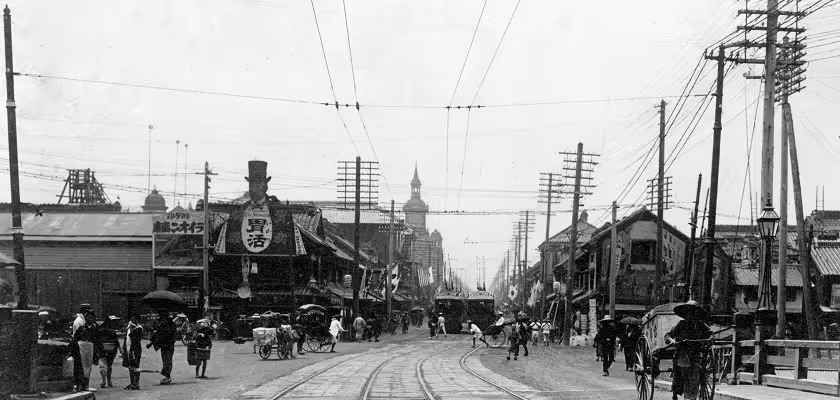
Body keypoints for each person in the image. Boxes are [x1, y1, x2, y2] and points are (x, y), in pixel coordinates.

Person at [666, 300, 712, 400]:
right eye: (689, 312)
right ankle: (675, 393)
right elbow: (668, 335)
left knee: (693, 378)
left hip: (695, 355)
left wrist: (710, 340)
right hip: (681, 353)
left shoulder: (702, 325)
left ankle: (691, 397)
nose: (691, 315)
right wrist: (672, 340)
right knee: (678, 377)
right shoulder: (681, 324)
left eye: (694, 312)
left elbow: (710, 335)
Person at [70, 304, 95, 392]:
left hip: (85, 347)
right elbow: (80, 336)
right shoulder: (80, 322)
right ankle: (80, 385)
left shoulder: (84, 321)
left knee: (85, 367)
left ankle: (83, 385)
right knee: (80, 367)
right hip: (80, 347)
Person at [147, 311, 177, 385]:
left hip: (167, 345)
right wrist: (152, 342)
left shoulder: (166, 324)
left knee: (167, 361)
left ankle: (167, 377)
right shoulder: (169, 324)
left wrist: (152, 342)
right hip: (168, 345)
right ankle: (167, 377)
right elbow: (159, 334)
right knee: (167, 361)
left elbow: (159, 334)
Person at [95, 316, 120, 388]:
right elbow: (116, 341)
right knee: (109, 365)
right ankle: (109, 381)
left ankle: (103, 381)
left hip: (102, 349)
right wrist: (120, 349)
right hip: (111, 350)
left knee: (102, 365)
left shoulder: (100, 330)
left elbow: (97, 340)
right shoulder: (112, 331)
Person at [122, 314, 144, 390]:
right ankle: (132, 383)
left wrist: (131, 328)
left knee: (136, 366)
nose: (132, 321)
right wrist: (123, 349)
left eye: (134, 319)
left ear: (138, 320)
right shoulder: (130, 327)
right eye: (131, 319)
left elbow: (135, 338)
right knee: (130, 366)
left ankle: (136, 384)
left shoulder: (139, 328)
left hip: (135, 349)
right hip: (129, 349)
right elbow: (126, 338)